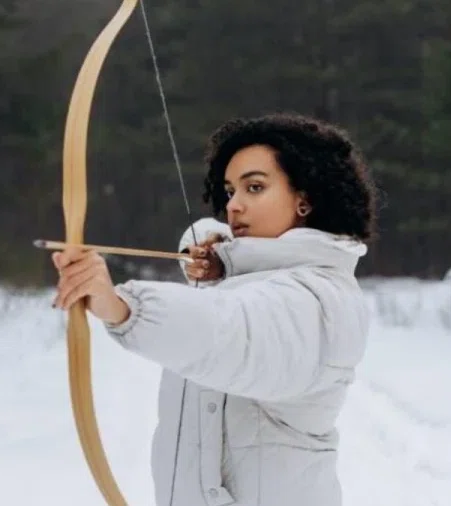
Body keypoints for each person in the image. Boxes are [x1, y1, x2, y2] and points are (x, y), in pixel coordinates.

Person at [51, 112, 378, 506]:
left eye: (254, 187)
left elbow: (231, 331)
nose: (234, 205)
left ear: (305, 200)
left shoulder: (321, 299)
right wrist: (222, 259)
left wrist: (122, 307)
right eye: (229, 191)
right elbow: (236, 294)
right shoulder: (240, 282)